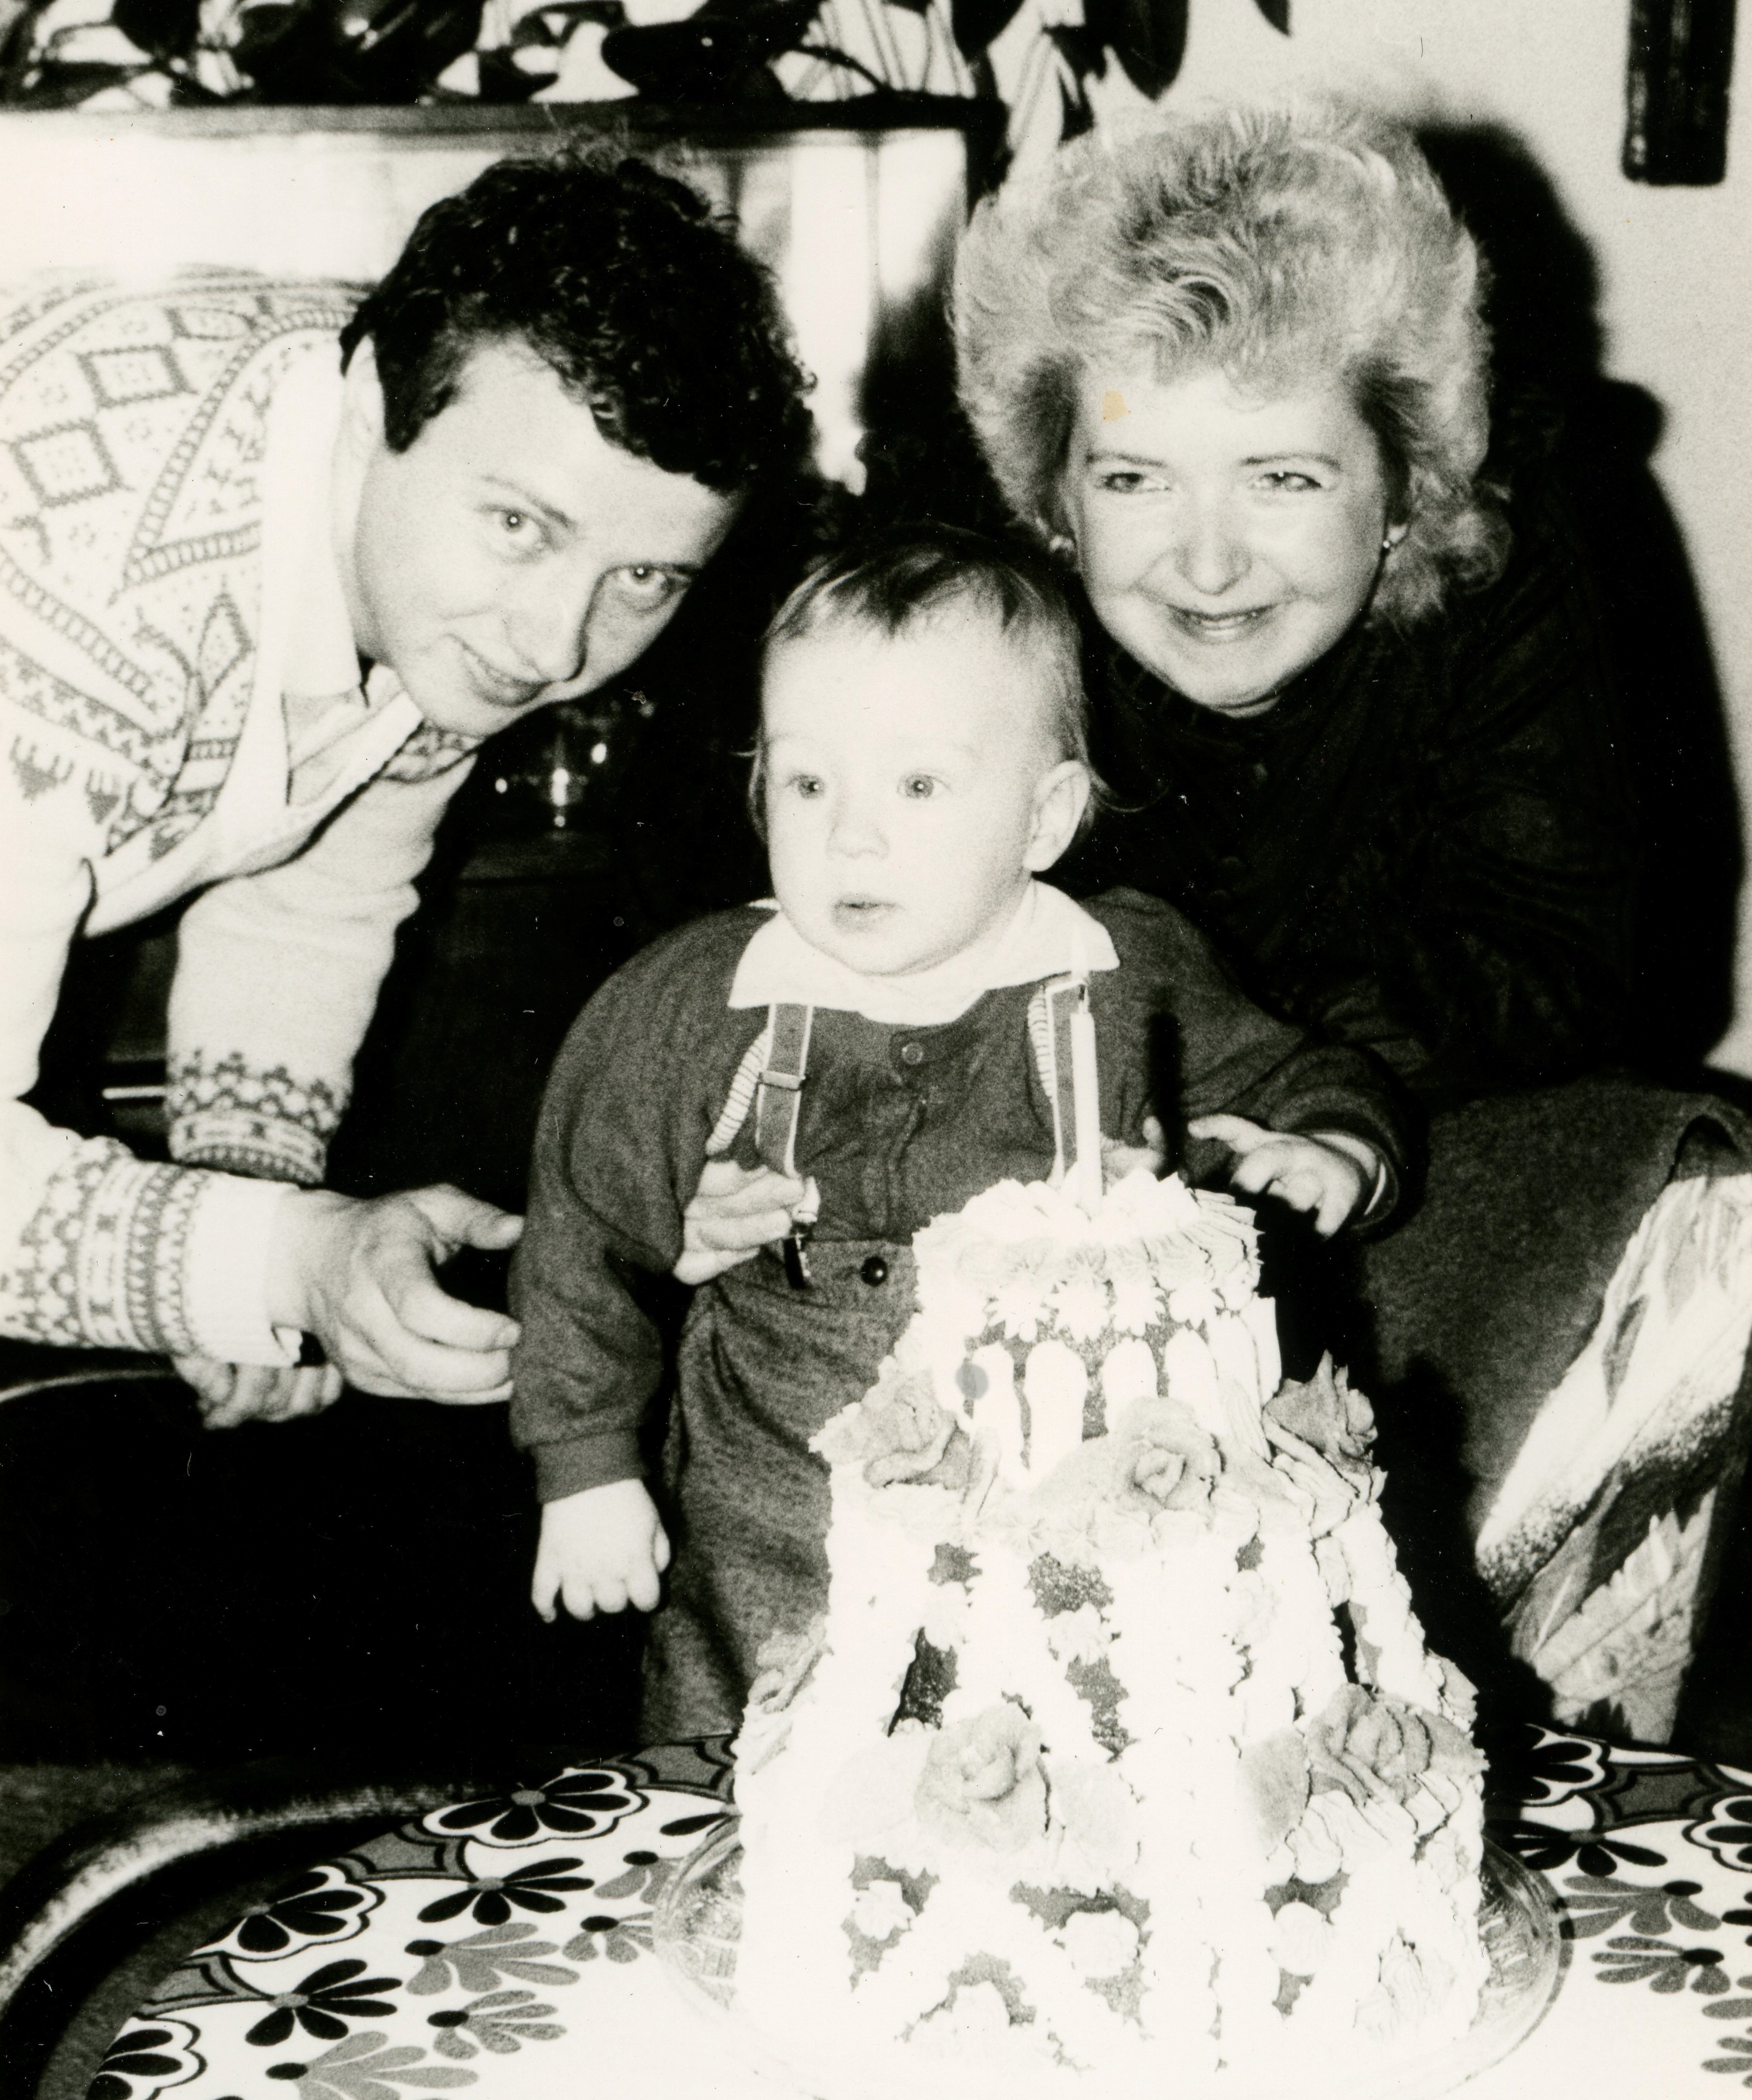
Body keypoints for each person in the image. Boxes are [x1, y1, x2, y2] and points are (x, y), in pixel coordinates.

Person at [942, 97, 1752, 1745]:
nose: (1207, 560)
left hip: (1448, 1158)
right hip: (1062, 1216)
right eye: (1134, 476)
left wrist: (1267, 1088)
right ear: (1055, 497)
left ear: (1402, 486)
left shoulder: (1524, 559)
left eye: (1282, 475)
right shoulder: (973, 614)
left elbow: (1587, 965)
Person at [510, 527, 1415, 1741]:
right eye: (807, 783)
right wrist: (585, 1466)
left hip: (1057, 1511)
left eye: (919, 787)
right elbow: (582, 1232)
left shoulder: (1118, 973)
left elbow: (1300, 1075)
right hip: (774, 1508)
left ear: (1043, 819)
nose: (851, 836)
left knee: (1056, 1759)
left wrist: (1335, 1150)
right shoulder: (696, 1002)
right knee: (754, 1754)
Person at [0, 143, 810, 1429]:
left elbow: (310, 893)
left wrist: (251, 1186)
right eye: (519, 527)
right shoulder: (73, 575)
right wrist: (279, 1260)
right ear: (374, 402)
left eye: (644, 580)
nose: (555, 648)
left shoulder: (433, 506)